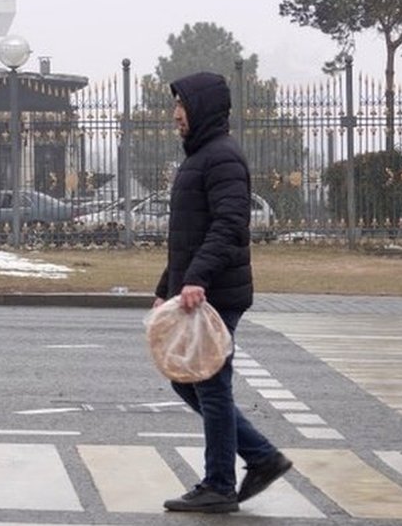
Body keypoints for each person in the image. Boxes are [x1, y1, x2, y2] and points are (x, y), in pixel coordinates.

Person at [154, 72, 292, 514]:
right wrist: (166, 287)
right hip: (199, 288)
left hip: (216, 292)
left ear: (203, 108)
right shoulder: (203, 157)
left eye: (182, 106)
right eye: (175, 107)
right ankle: (261, 457)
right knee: (188, 381)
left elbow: (230, 225)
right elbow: (189, 236)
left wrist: (196, 280)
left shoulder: (222, 158)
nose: (176, 115)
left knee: (210, 386)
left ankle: (219, 484)